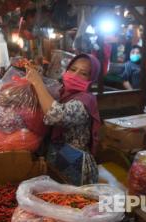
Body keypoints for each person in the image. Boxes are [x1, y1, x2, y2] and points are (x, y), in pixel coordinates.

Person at [26, 54, 101, 185]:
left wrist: (37, 82)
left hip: (75, 165)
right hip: (55, 159)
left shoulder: (86, 100)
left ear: (91, 79)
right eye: (72, 69)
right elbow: (45, 101)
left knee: (73, 202)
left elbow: (57, 115)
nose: (75, 75)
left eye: (83, 73)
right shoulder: (62, 92)